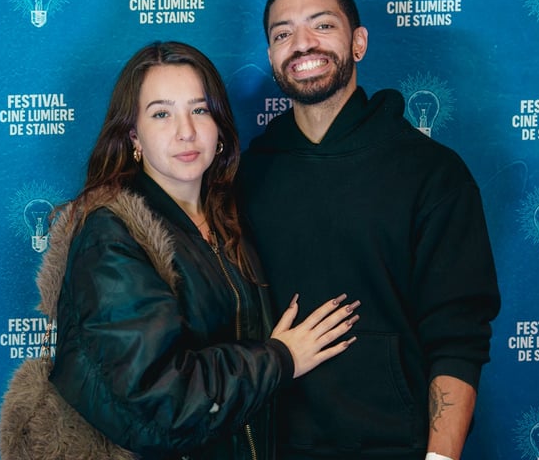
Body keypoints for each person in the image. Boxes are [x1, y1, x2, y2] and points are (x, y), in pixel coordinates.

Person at [43, 41, 360, 459]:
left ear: (219, 127)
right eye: (161, 114)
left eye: (199, 110)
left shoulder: (230, 218)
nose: (186, 131)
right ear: (134, 136)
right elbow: (162, 400)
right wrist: (282, 358)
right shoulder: (112, 235)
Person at [236, 0, 501, 460]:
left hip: (396, 445)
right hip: (274, 446)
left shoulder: (432, 173)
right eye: (282, 33)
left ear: (358, 42)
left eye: (322, 25)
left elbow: (459, 337)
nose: (302, 43)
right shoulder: (248, 176)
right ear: (271, 56)